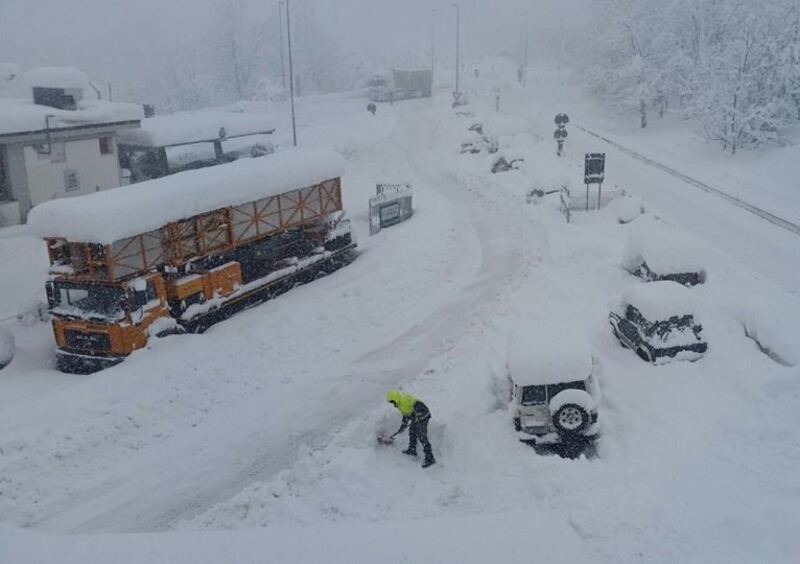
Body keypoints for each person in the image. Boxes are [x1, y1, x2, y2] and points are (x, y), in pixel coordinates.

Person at [386, 390, 436, 468]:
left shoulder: (404, 399)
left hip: (424, 415)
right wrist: (402, 426)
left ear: (395, 398)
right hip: (416, 418)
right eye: (391, 402)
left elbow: (418, 404)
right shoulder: (399, 405)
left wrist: (418, 415)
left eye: (392, 401)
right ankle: (412, 449)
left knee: (421, 435)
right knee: (412, 431)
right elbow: (406, 416)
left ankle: (430, 458)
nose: (392, 404)